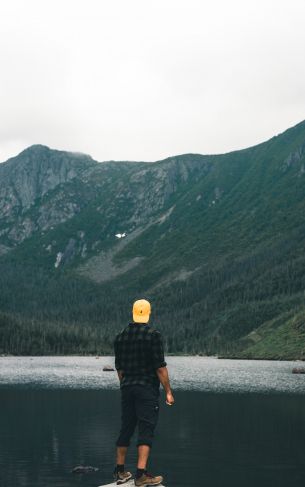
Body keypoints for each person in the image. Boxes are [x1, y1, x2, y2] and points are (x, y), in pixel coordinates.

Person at [113, 299, 174, 486]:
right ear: (148, 314)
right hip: (146, 389)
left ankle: (120, 471)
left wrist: (125, 385)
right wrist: (168, 392)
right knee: (146, 429)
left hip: (127, 388)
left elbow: (120, 370)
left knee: (127, 427)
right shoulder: (153, 335)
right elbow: (160, 368)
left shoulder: (120, 337)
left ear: (133, 313)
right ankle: (141, 475)